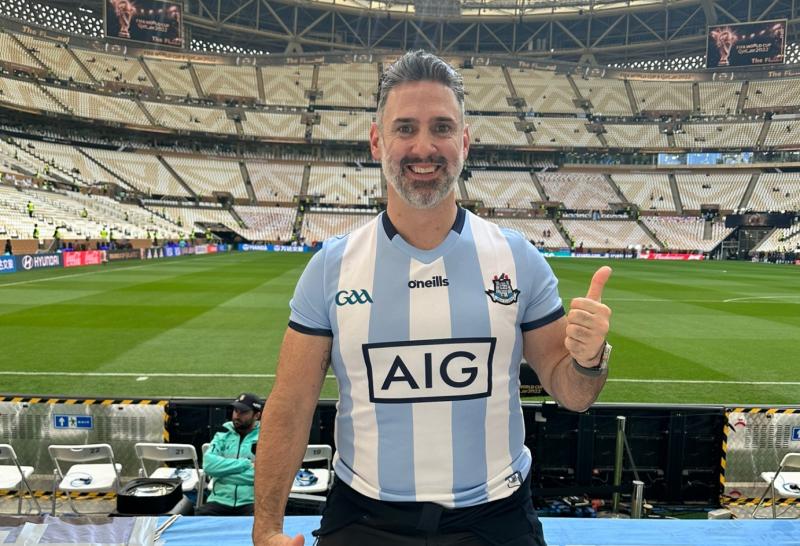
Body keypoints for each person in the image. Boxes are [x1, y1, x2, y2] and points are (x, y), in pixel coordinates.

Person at [253, 50, 613, 546]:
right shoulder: (332, 268)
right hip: (366, 520)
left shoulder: (517, 259)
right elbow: (291, 403)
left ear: (464, 142)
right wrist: (266, 527)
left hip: (495, 520)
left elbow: (571, 392)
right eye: (405, 128)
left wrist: (590, 360)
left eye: (442, 127)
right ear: (377, 140)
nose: (424, 146)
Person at [198, 392, 263, 516]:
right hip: (217, 501)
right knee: (199, 526)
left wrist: (223, 473)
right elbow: (208, 465)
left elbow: (264, 475)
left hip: (252, 503)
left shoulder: (266, 438)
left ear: (257, 415)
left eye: (243, 412)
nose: (237, 415)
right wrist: (246, 464)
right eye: (236, 410)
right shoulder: (222, 435)